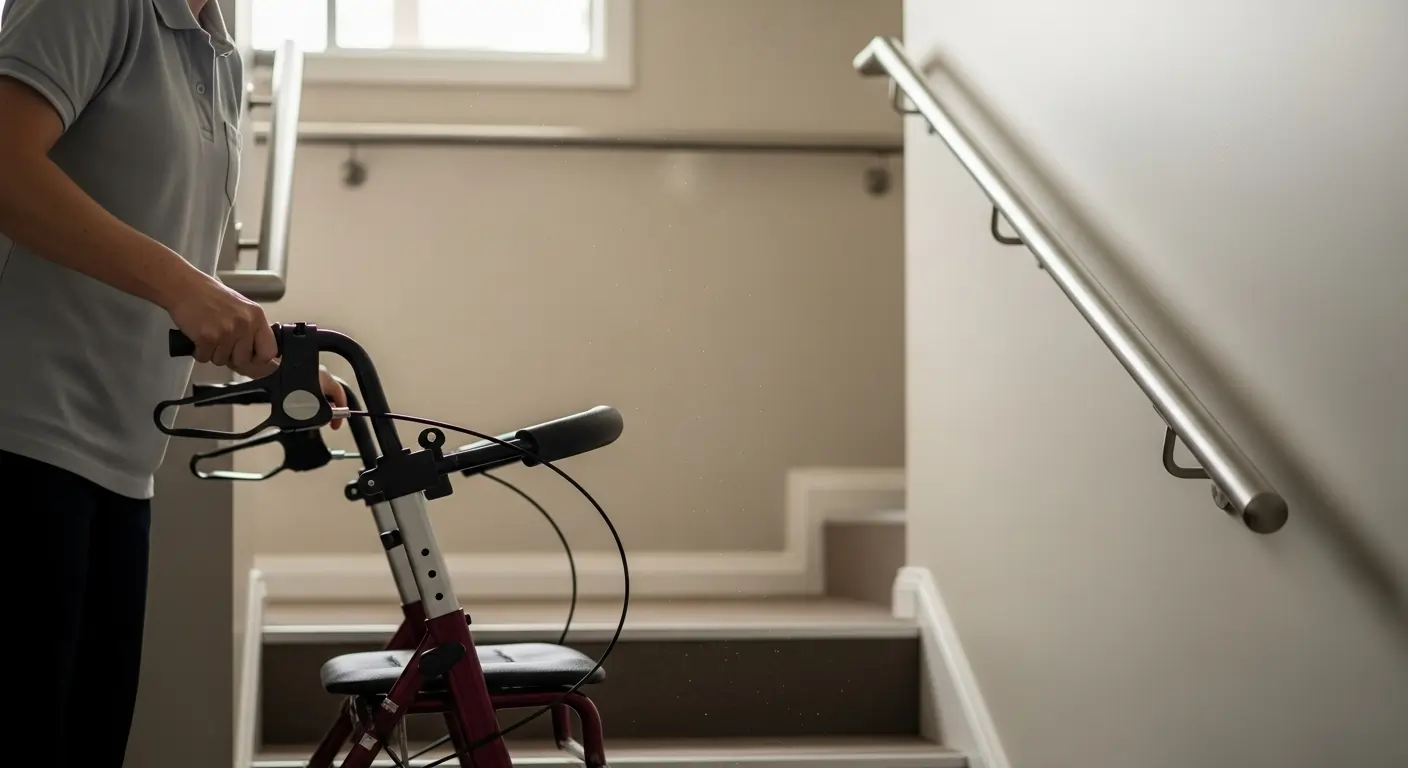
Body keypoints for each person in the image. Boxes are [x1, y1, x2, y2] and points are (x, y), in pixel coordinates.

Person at [0, 1, 345, 764]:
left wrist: (266, 358)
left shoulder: (218, 54)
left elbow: (159, 249)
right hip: (22, 440)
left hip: (122, 464)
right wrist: (188, 287)